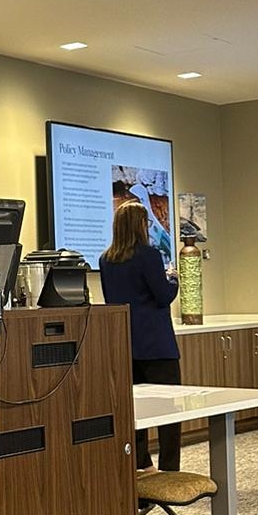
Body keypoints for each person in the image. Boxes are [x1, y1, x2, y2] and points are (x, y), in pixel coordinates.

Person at [99, 198, 181, 473]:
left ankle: (141, 464)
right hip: (157, 345)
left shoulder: (106, 260)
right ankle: (169, 468)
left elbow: (111, 301)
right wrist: (173, 279)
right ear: (141, 225)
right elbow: (163, 296)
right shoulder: (149, 255)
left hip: (126, 345)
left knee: (135, 410)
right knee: (169, 410)